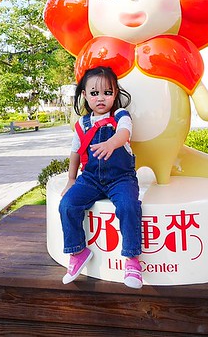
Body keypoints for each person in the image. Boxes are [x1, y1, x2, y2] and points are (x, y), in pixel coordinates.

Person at [58, 66, 143, 288]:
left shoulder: (120, 115)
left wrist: (111, 143)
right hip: (90, 179)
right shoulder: (82, 123)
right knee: (67, 204)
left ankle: (132, 259)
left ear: (115, 94)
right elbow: (75, 152)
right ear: (85, 95)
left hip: (121, 178)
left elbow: (124, 133)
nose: (101, 98)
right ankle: (78, 252)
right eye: (94, 93)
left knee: (128, 206)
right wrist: (71, 179)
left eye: (107, 92)